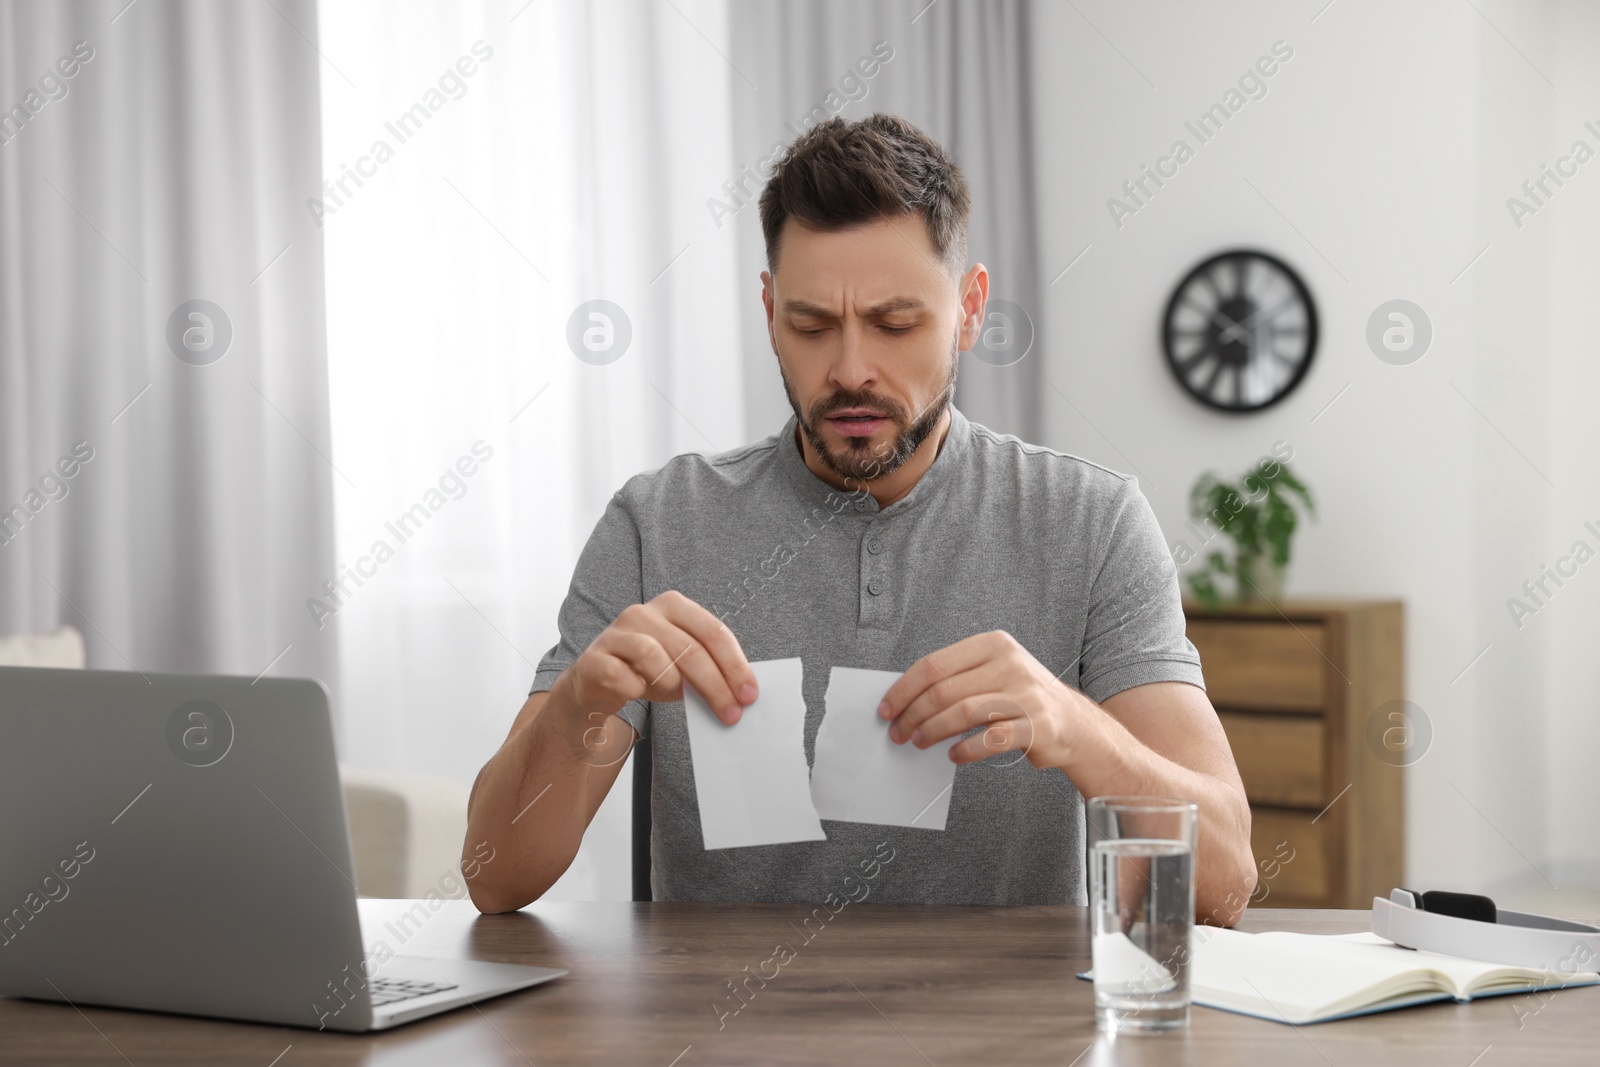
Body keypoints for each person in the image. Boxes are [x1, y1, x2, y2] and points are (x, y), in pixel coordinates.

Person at [465, 113, 1255, 923]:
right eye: (812, 325)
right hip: (719, 1039)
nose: (849, 371)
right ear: (770, 312)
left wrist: (1076, 728)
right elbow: (494, 880)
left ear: (971, 309)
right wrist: (578, 705)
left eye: (895, 323)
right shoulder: (656, 522)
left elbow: (1226, 882)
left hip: (1007, 1038)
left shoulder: (1092, 523)